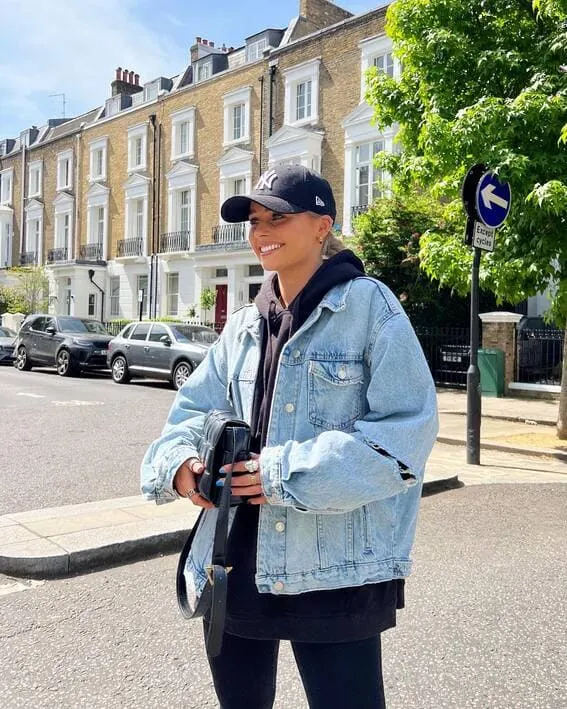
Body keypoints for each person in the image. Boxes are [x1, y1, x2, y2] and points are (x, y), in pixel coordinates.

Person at [141, 164, 438, 709]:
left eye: (277, 216)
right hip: (235, 559)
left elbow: (406, 436)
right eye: (254, 219)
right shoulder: (243, 325)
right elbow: (190, 411)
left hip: (334, 571)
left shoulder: (370, 308)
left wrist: (279, 473)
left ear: (322, 225)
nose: (261, 231)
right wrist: (184, 467)